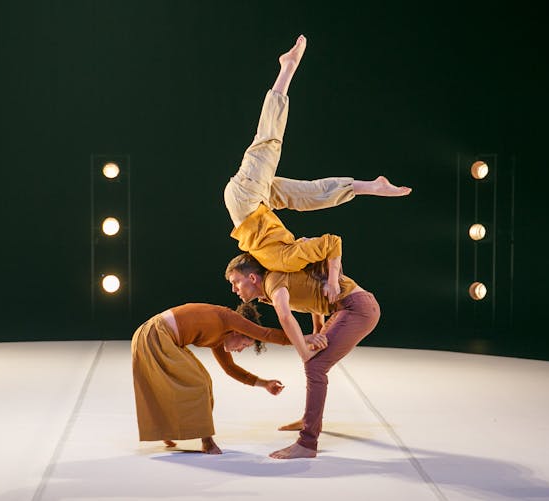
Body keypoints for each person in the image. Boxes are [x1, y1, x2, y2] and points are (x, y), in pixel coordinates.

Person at [224, 34, 411, 303]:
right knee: (306, 195)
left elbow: (328, 244)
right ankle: (370, 186)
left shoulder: (289, 259)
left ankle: (287, 68)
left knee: (269, 141)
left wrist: (332, 279)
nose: (307, 239)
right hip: (257, 205)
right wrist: (328, 285)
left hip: (246, 200)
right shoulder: (286, 258)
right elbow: (318, 251)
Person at [225, 252, 380, 460]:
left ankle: (307, 443)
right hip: (347, 308)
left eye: (236, 282)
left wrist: (305, 353)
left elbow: (286, 317)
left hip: (356, 308)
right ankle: (311, 420)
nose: (234, 289)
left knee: (314, 366)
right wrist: (317, 327)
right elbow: (311, 287)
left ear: (252, 278)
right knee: (313, 362)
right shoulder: (267, 292)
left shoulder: (272, 282)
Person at [131, 302, 327, 454]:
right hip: (156, 334)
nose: (240, 350)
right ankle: (206, 441)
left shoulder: (219, 339)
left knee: (202, 381)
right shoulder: (228, 318)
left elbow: (231, 369)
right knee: (199, 383)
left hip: (154, 336)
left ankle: (169, 430)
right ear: (238, 332)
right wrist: (302, 339)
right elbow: (266, 333)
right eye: (244, 344)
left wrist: (264, 383)